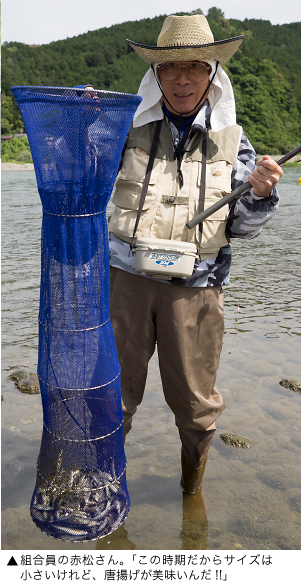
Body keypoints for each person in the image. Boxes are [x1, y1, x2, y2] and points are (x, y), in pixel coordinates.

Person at [108, 14, 283, 493]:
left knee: (196, 404)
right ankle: (105, 487)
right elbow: (80, 169)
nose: (182, 79)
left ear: (212, 74)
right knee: (111, 397)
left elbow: (244, 228)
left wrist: (261, 193)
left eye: (195, 68)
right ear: (156, 75)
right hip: (124, 281)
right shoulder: (123, 127)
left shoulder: (236, 142)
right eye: (170, 69)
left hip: (198, 288)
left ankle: (192, 494)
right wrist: (84, 112)